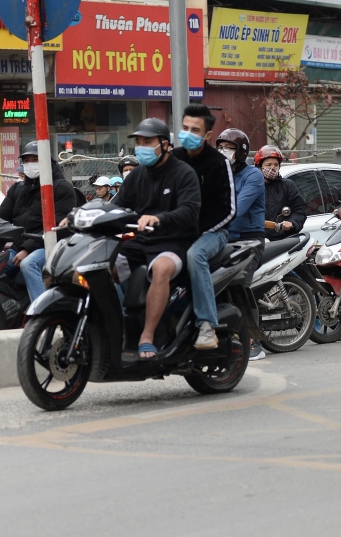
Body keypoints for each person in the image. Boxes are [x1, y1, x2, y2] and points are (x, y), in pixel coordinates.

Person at [110, 118, 201, 358]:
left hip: (174, 242)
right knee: (104, 263)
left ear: (165, 145)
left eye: (147, 142)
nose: (142, 147)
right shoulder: (136, 177)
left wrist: (159, 218)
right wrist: (79, 215)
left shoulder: (184, 173)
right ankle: (120, 326)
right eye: (139, 142)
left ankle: (147, 336)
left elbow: (190, 211)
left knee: (160, 269)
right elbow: (115, 207)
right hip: (141, 242)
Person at [0, 141, 77, 304]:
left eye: (35, 159)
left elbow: (58, 227)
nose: (30, 164)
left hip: (50, 246)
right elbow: (0, 214)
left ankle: (44, 312)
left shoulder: (61, 188)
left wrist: (27, 248)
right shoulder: (19, 189)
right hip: (19, 246)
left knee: (28, 264)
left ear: (47, 162)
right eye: (26, 161)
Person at [173, 103, 236, 351]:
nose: (188, 133)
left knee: (194, 255)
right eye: (185, 128)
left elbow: (229, 210)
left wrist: (197, 231)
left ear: (207, 135)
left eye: (195, 130)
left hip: (212, 233)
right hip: (177, 231)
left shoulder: (219, 163)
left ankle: (207, 325)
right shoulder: (173, 158)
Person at [221, 129, 268, 360]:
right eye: (221, 147)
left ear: (240, 151)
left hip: (249, 239)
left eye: (229, 148)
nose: (224, 152)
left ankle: (254, 343)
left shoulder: (253, 176)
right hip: (225, 239)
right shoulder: (220, 174)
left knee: (239, 285)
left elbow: (238, 209)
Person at [260, 148, 305, 240]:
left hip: (282, 241)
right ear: (260, 166)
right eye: (268, 165)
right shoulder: (252, 186)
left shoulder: (288, 186)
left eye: (276, 165)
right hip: (256, 240)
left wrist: (291, 223)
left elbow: (300, 210)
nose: (272, 167)